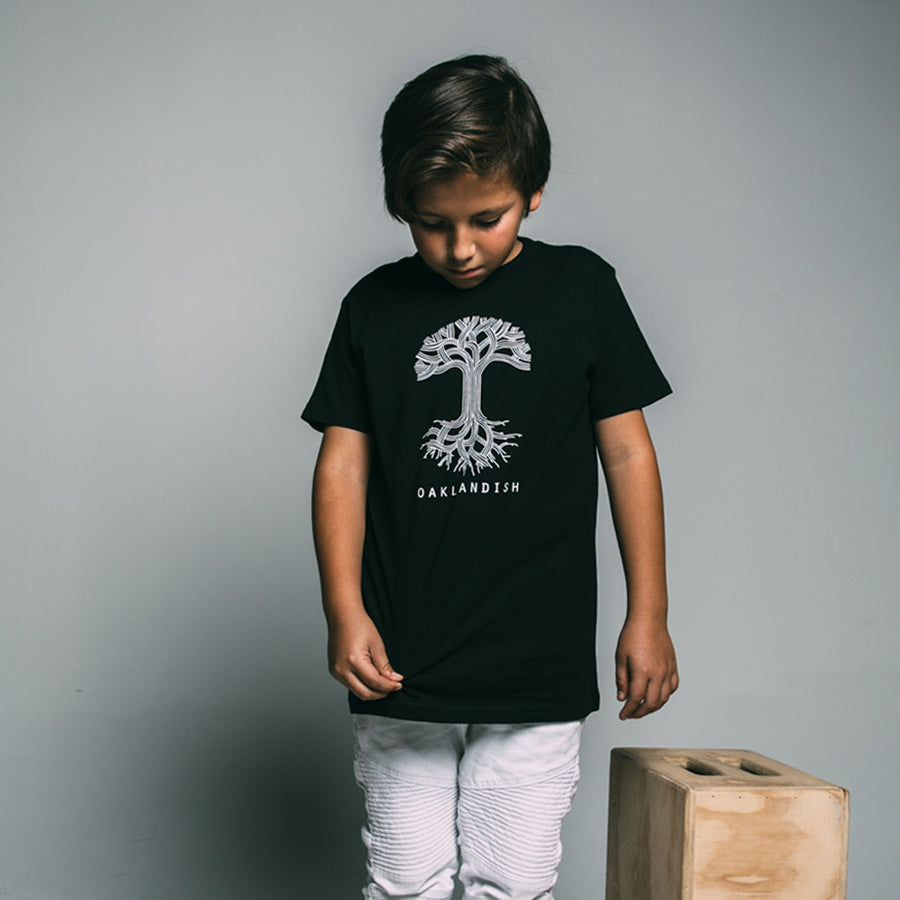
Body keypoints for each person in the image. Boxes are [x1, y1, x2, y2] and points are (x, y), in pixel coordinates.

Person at [302, 54, 679, 900]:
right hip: (400, 657)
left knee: (512, 882)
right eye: (431, 223)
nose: (460, 247)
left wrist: (648, 612)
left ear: (533, 192)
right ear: (402, 205)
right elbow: (343, 464)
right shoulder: (373, 307)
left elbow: (628, 453)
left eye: (487, 218)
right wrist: (344, 609)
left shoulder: (582, 289)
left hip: (535, 655)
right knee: (406, 883)